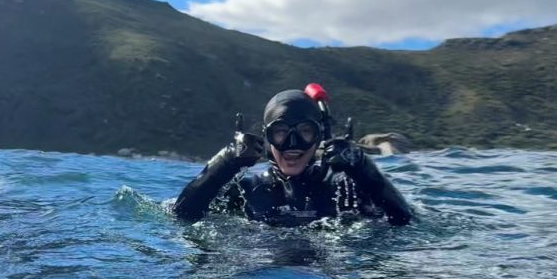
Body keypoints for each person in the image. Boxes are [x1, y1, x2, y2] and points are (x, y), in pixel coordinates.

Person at [173, 86, 413, 227]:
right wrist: (225, 161)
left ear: (318, 137)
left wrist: (362, 167)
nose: (293, 144)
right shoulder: (246, 190)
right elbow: (182, 216)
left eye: (305, 132)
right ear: (267, 137)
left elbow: (403, 221)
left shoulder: (341, 187)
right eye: (281, 132)